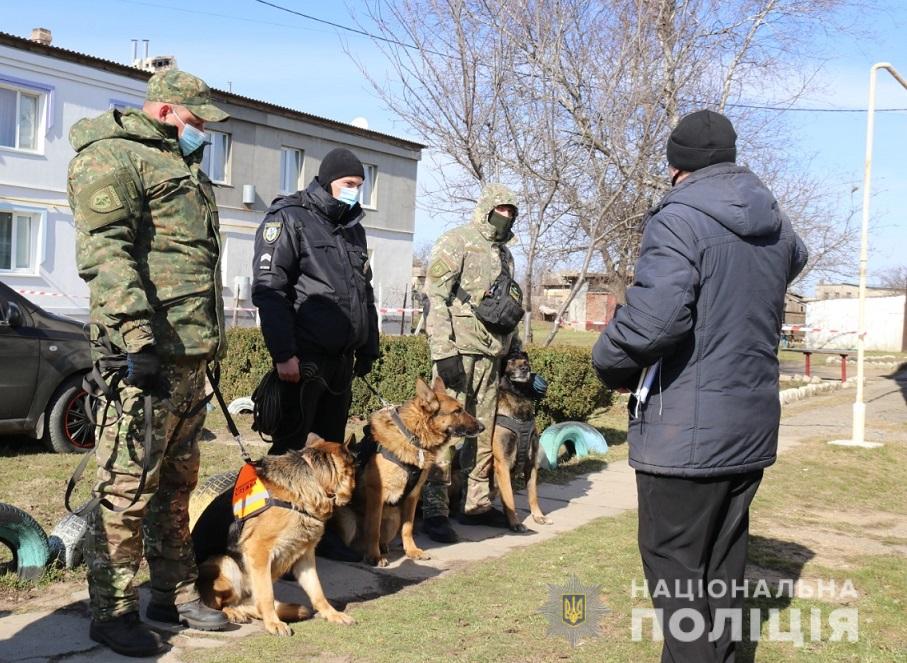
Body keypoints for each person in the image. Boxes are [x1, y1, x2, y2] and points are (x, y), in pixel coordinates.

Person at [592, 110, 808, 662]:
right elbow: (797, 257)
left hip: (685, 432)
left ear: (675, 166)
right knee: (722, 570)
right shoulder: (776, 223)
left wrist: (608, 360)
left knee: (677, 575)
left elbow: (656, 322)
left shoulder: (679, 218)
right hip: (749, 424)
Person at [68, 69, 232, 657]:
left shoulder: (181, 165)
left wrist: (208, 345)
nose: (202, 130)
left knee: (177, 484)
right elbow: (106, 253)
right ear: (165, 111)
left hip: (188, 355)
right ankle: (111, 611)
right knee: (127, 486)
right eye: (195, 119)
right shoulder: (111, 157)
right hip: (145, 357)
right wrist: (136, 336)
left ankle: (173, 593)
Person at [251, 147, 379, 455]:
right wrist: (284, 354)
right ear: (328, 181)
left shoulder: (353, 230)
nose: (355, 191)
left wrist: (368, 347)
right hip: (304, 362)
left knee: (329, 455)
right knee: (290, 455)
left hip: (341, 364)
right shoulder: (289, 217)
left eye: (359, 186)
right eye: (349, 184)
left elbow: (364, 291)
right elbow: (270, 289)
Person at [421, 183, 527, 542]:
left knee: (481, 429)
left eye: (511, 211)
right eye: (501, 209)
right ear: (486, 208)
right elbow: (435, 297)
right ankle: (434, 509)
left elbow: (509, 307)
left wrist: (516, 351)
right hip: (459, 352)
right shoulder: (457, 241)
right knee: (444, 431)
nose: (506, 216)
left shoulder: (506, 255)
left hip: (491, 356)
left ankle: (476, 504)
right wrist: (443, 351)